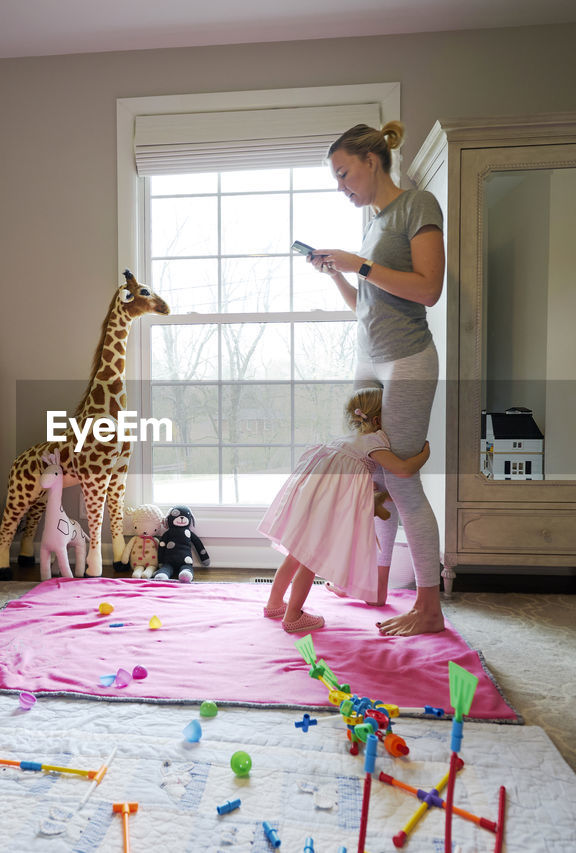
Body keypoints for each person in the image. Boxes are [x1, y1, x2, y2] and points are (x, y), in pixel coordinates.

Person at [309, 120, 447, 636]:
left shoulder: (417, 205)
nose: (342, 185)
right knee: (372, 475)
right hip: (369, 359)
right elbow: (367, 308)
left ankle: (430, 608)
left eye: (345, 173)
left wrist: (360, 264)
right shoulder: (372, 222)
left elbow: (428, 289)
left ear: (372, 160)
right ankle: (377, 582)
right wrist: (343, 275)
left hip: (407, 359)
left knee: (402, 480)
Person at [259, 388, 430, 634]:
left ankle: (274, 604)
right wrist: (424, 454)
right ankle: (293, 616)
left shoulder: (345, 439)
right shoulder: (375, 441)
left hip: (308, 496)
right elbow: (403, 470)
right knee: (310, 559)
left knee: (296, 554)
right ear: (380, 420)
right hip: (325, 504)